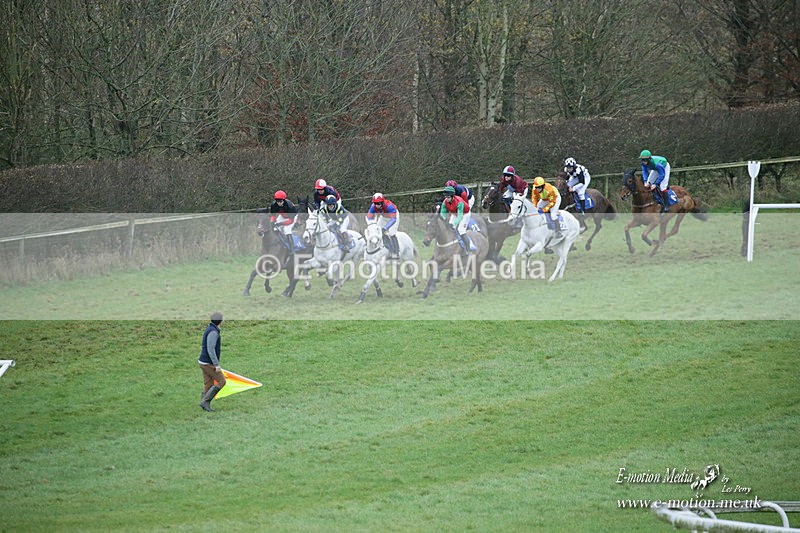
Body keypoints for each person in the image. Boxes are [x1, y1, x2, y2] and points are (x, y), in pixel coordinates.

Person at [198, 311, 226, 412]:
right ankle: (205, 402)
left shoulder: (211, 328)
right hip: (208, 363)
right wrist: (216, 365)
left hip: (203, 362)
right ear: (221, 321)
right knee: (222, 381)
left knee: (208, 384)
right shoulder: (213, 332)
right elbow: (211, 349)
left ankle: (203, 403)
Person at [366, 192, 400, 259]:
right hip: (383, 217)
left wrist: (385, 228)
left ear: (382, 202)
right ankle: (377, 248)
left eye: (378, 203)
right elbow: (369, 217)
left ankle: (395, 252)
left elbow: (393, 219)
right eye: (375, 203)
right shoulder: (373, 206)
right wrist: (371, 226)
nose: (377, 205)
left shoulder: (389, 206)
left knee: (391, 233)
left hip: (393, 217)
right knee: (377, 232)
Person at [440, 185, 472, 255]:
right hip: (455, 214)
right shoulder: (445, 201)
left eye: (448, 197)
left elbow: (460, 217)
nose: (447, 199)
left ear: (452, 196)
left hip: (464, 214)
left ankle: (467, 249)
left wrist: (453, 224)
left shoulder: (459, 202)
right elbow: (442, 212)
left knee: (461, 230)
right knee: (450, 229)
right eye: (446, 197)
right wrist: (445, 220)